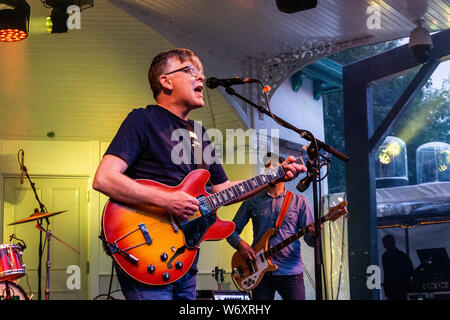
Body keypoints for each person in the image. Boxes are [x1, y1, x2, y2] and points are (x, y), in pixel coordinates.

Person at [92, 48, 306, 300]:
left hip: (185, 256)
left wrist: (273, 176)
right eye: (190, 70)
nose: (201, 78)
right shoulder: (142, 120)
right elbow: (104, 178)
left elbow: (223, 190)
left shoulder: (199, 135)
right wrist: (168, 200)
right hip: (146, 248)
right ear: (166, 80)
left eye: (202, 73)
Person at [227, 153, 315, 300]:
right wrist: (240, 244)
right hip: (258, 273)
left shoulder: (299, 202)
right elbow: (230, 231)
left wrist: (315, 234)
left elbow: (311, 241)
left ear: (284, 171)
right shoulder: (252, 200)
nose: (270, 172)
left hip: (290, 272)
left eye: (274, 168)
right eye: (267, 168)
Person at [381, 234, 413, 300]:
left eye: (388, 243)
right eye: (386, 243)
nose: (387, 245)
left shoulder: (402, 256)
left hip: (400, 288)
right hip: (392, 289)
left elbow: (409, 271)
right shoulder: (385, 256)